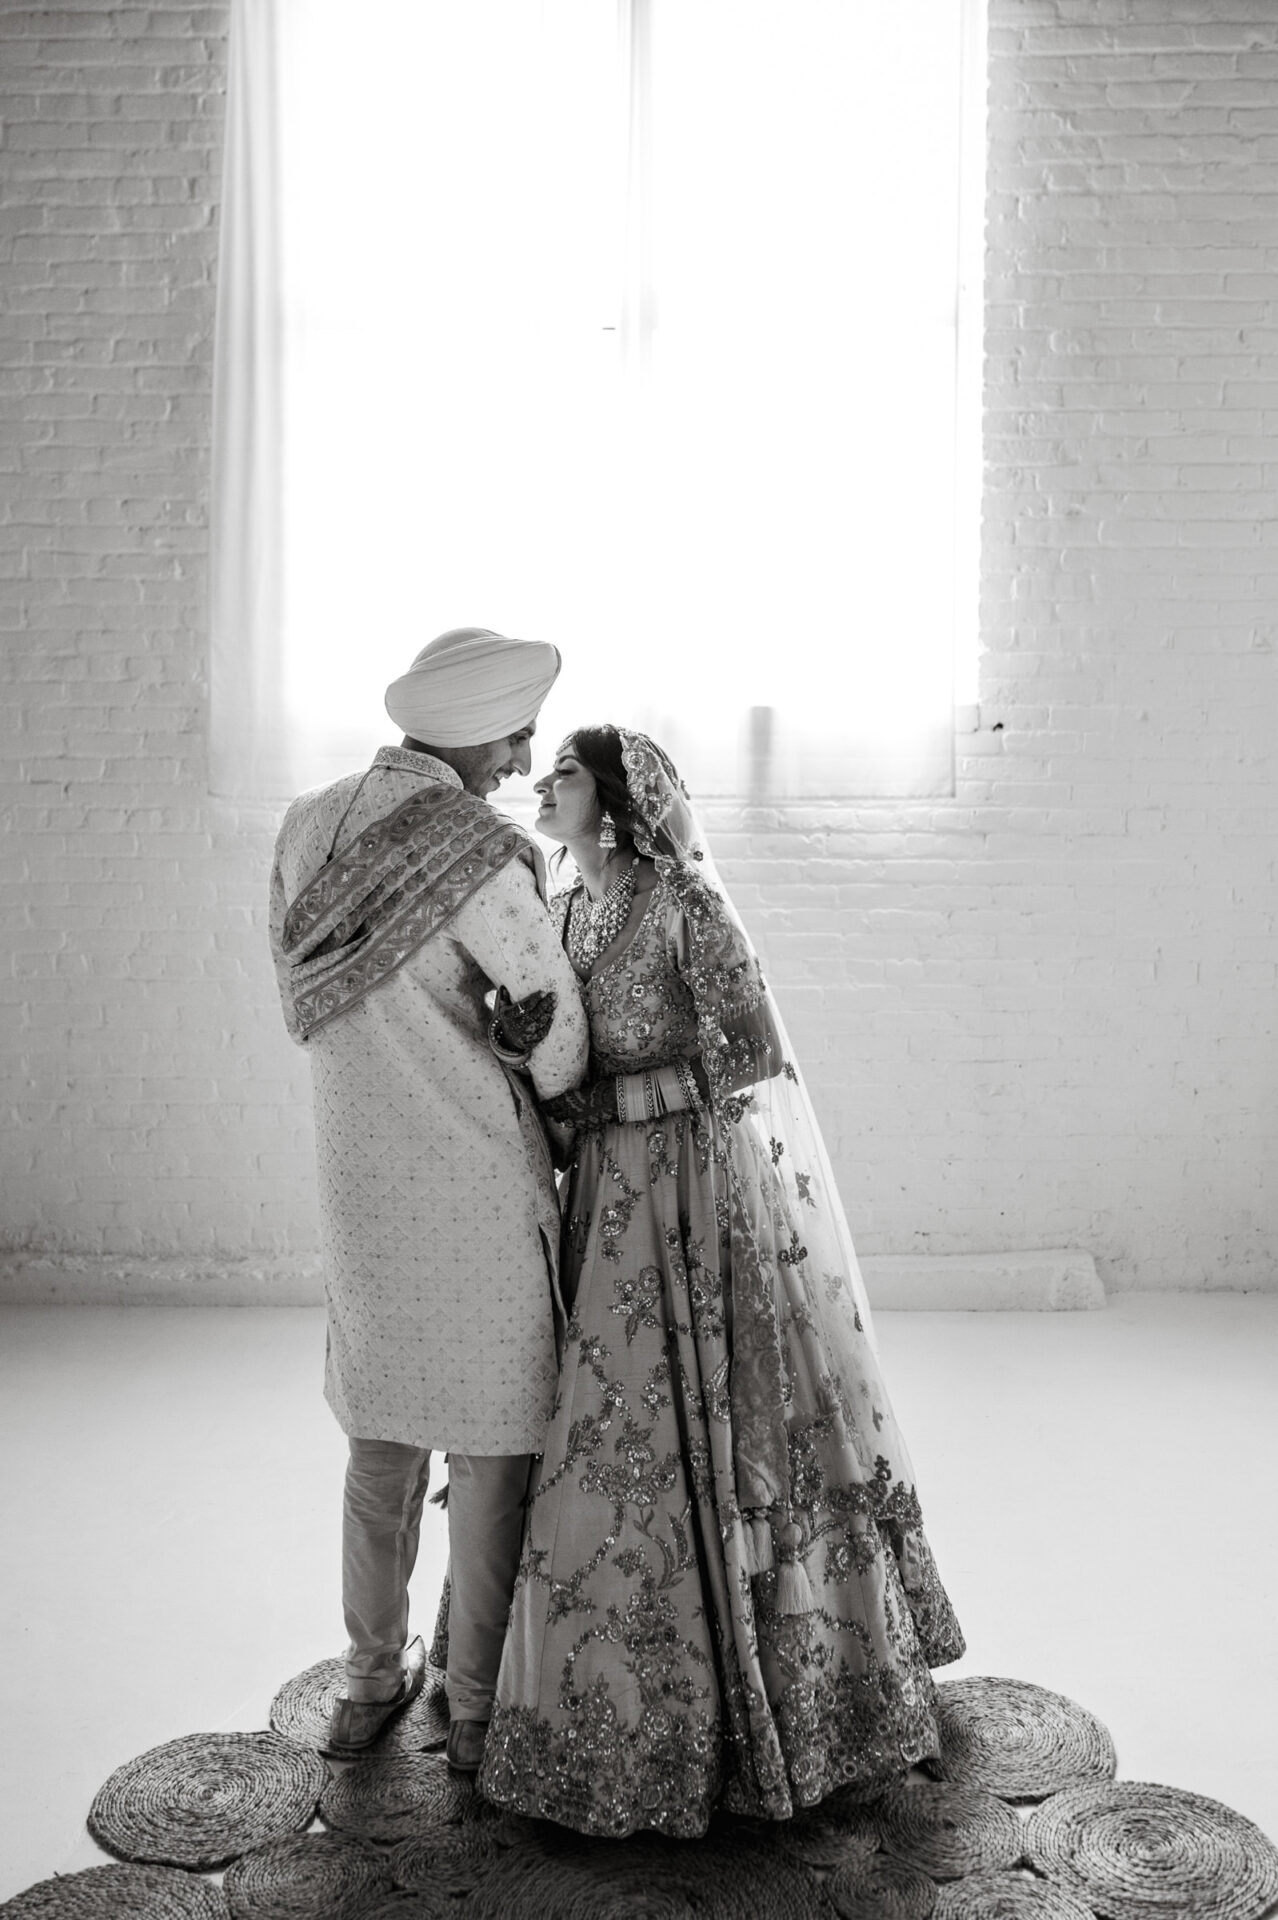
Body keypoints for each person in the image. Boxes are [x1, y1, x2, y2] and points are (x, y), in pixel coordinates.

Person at [476, 725, 965, 1836]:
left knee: (736, 1430)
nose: (543, 784)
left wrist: (614, 1104)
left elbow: (750, 1055)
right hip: (606, 1204)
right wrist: (526, 1056)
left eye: (564, 772)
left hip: (693, 1200)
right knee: (600, 1435)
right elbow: (568, 1060)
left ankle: (785, 1697)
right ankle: (587, 1706)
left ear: (614, 803)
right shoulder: (565, 909)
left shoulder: (684, 905)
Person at [268, 627, 589, 1775]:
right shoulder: (483, 854)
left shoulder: (305, 824)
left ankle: (368, 1683)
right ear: (475, 733)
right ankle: (477, 1712)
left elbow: (300, 997)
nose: (524, 761)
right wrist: (556, 1096)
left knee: (382, 1449)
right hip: (477, 1186)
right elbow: (555, 1027)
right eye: (516, 737)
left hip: (360, 1186)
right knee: (495, 1456)